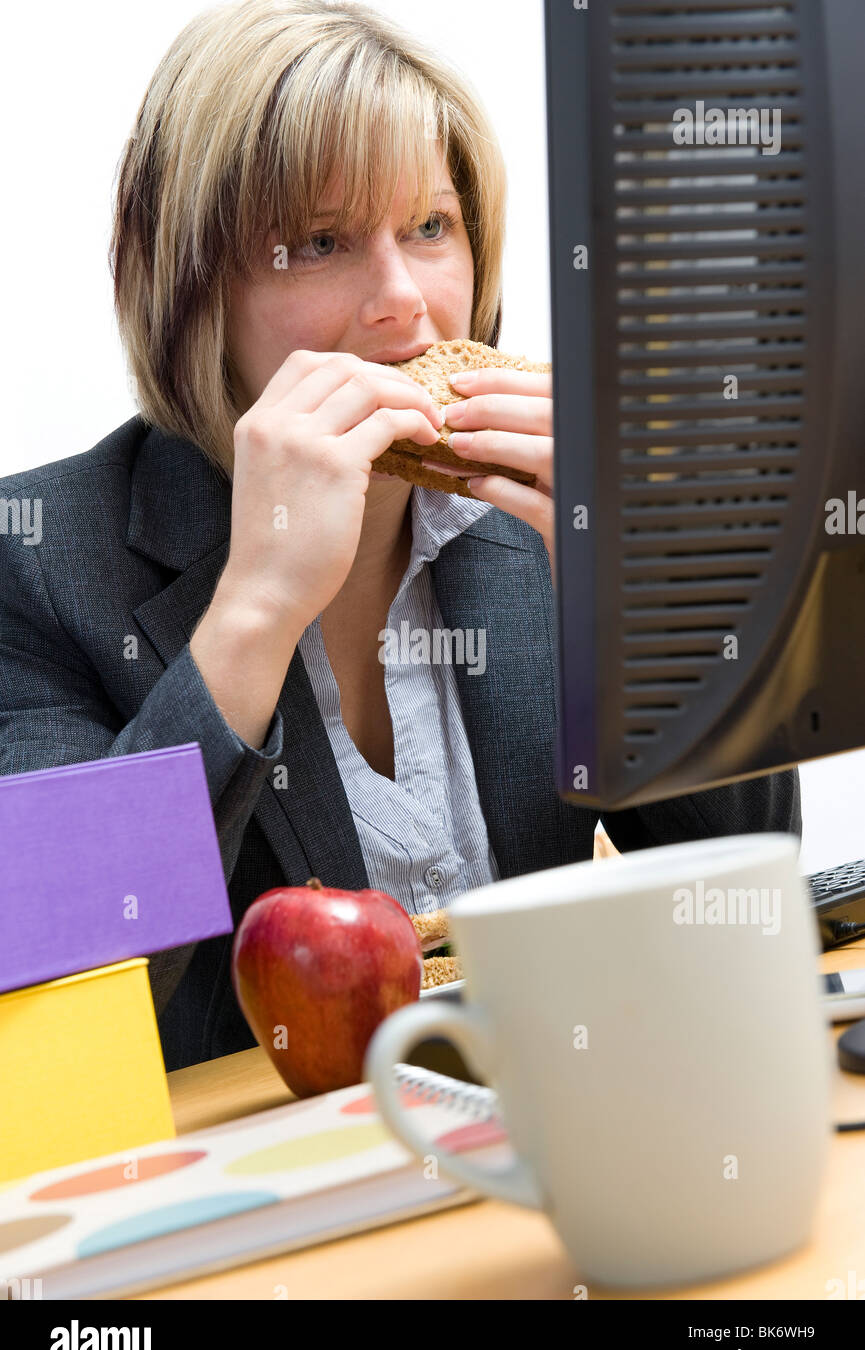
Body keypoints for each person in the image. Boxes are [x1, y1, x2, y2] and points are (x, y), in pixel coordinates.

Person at [0, 0, 800, 1071]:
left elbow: (756, 897)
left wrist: (632, 607)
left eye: (429, 228)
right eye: (320, 242)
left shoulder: (541, 517)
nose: (402, 304)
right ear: (189, 289)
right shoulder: (44, 563)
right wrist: (253, 611)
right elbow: (49, 988)